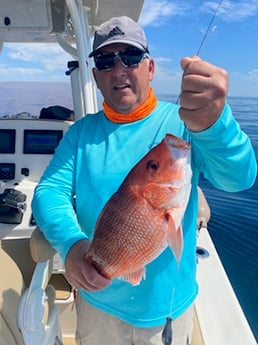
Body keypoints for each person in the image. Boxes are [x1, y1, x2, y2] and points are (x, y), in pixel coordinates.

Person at [32, 16, 257, 345]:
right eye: (106, 61)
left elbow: (238, 179)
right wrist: (72, 245)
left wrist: (215, 122)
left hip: (165, 311)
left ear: (150, 68)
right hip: (97, 307)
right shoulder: (80, 133)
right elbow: (49, 191)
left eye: (132, 58)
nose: (119, 69)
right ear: (95, 76)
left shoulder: (185, 122)